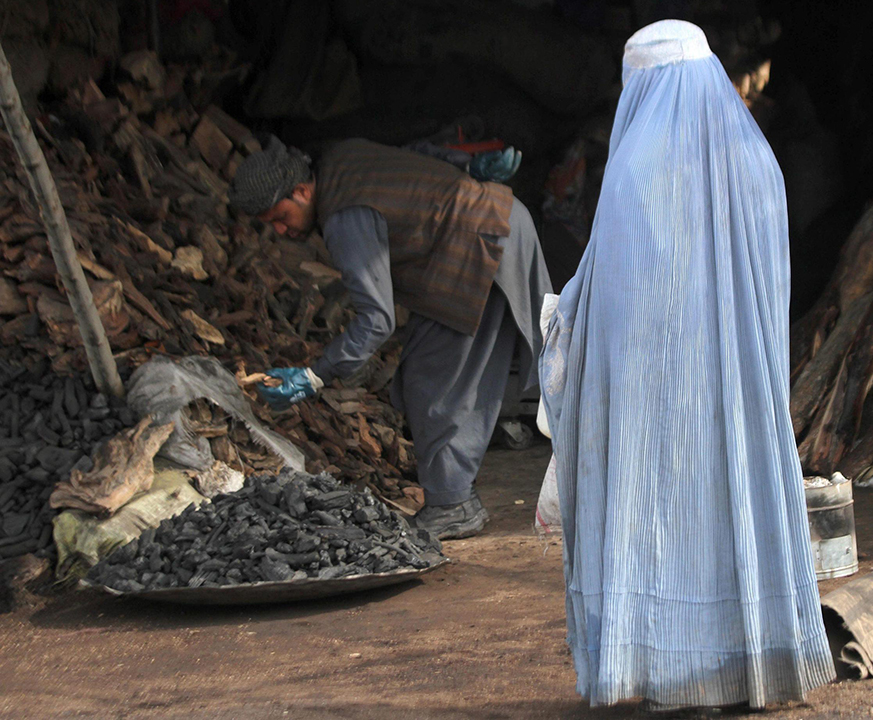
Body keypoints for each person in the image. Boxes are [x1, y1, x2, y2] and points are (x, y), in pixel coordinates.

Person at [538, 20, 836, 710]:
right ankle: (747, 666)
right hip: (738, 392)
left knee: (665, 522)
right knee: (729, 510)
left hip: (657, 398)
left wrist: (566, 318)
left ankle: (667, 672)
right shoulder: (756, 160)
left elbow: (617, 300)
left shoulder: (636, 173)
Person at [229, 136, 553, 540]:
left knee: (430, 384)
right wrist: (465, 166)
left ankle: (454, 505)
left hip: (479, 243)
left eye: (280, 216)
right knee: (437, 369)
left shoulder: (344, 215)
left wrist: (316, 374)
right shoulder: (340, 157)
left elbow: (376, 319)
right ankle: (456, 498)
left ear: (301, 191)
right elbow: (416, 154)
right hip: (494, 223)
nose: (280, 229)